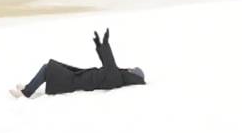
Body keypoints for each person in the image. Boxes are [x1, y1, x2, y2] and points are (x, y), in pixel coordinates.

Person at [11, 29, 146, 99]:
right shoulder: (117, 77)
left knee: (48, 68)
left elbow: (109, 63)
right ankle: (29, 87)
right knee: (49, 67)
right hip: (77, 76)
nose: (129, 68)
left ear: (132, 74)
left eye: (132, 70)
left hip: (74, 81)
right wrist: (99, 44)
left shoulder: (117, 79)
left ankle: (27, 92)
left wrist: (105, 43)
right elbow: (108, 64)